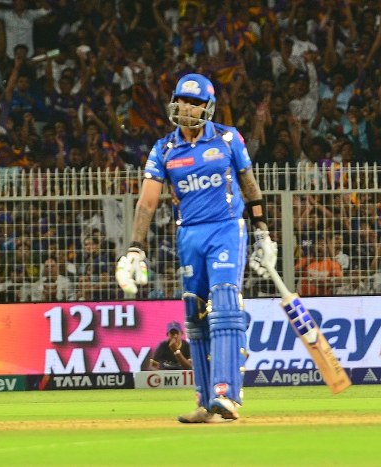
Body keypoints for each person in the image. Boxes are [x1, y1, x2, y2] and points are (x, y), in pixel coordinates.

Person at [115, 74, 276, 423]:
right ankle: (205, 403)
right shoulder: (164, 149)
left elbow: (249, 186)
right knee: (195, 316)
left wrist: (262, 232)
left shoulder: (228, 138)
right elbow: (147, 203)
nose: (186, 107)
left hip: (226, 229)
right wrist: (135, 248)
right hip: (188, 234)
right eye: (182, 100)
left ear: (207, 107)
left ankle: (226, 394)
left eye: (194, 102)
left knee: (225, 305)